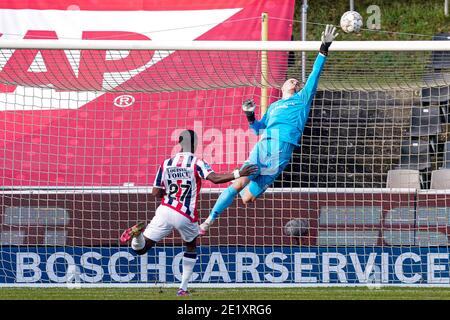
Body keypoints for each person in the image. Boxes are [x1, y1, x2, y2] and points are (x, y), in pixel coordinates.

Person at [199, 24, 338, 235]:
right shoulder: (273, 107)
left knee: (246, 198)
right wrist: (249, 115)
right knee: (237, 185)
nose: (294, 80)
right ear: (282, 87)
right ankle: (208, 221)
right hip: (263, 146)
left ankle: (251, 188)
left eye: (297, 82)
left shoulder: (302, 99)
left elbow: (314, 74)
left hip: (280, 152)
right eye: (291, 80)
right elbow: (257, 128)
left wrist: (323, 48)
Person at [119, 129, 258, 296]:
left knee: (140, 249)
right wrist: (238, 173)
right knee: (191, 246)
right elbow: (214, 178)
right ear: (195, 144)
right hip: (185, 213)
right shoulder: (196, 162)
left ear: (179, 142)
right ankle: (182, 288)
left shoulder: (166, 163)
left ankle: (137, 235)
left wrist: (170, 196)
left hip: (164, 210)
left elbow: (155, 192)